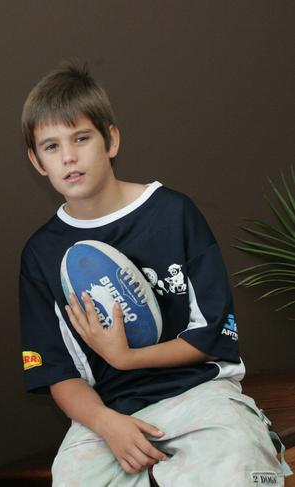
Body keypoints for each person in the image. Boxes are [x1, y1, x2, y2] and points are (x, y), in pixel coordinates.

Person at [18, 63, 290, 486]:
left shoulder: (172, 212)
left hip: (198, 393)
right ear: (37, 162)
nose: (68, 156)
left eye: (81, 138)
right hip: (107, 410)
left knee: (236, 459)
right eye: (51, 147)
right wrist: (107, 424)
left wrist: (126, 357)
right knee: (71, 476)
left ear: (111, 139)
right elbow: (56, 371)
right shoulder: (41, 253)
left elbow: (211, 334)